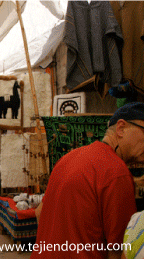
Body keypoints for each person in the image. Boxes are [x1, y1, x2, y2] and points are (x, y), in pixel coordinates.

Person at [31, 102, 144, 259]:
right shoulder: (116, 172)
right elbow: (120, 252)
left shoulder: (68, 158)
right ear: (121, 128)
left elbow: (39, 212)